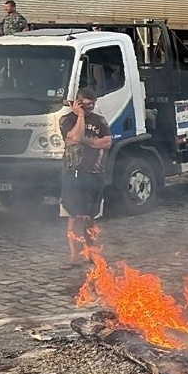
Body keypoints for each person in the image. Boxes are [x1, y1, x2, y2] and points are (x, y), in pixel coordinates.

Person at [59, 88, 112, 266]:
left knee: (90, 216)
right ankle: (74, 256)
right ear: (78, 102)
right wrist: (80, 116)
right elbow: (73, 136)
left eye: (92, 104)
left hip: (94, 174)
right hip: (72, 173)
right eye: (86, 104)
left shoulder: (100, 120)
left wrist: (86, 141)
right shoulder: (67, 120)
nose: (90, 107)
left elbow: (107, 142)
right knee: (73, 216)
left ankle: (91, 252)